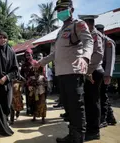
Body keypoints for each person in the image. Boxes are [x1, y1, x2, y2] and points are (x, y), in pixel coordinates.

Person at [36, 0, 94, 142]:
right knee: (68, 108)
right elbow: (55, 54)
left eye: (63, 8)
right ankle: (72, 135)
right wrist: (41, 62)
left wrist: (85, 58)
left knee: (76, 107)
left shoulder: (78, 25)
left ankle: (78, 137)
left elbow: (88, 41)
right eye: (58, 9)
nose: (60, 11)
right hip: (61, 74)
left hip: (73, 72)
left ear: (71, 9)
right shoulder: (61, 31)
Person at [78, 15, 104, 141]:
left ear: (89, 24)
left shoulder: (95, 35)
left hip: (94, 71)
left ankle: (94, 131)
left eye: (84, 24)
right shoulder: (88, 35)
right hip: (89, 72)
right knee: (88, 101)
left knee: (93, 102)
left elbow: (98, 55)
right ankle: (90, 128)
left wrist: (88, 71)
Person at [95, 24, 117, 127]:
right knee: (101, 95)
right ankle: (110, 118)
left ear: (103, 31)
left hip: (105, 70)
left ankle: (103, 119)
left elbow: (110, 60)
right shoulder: (97, 41)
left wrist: (107, 75)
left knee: (103, 95)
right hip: (99, 69)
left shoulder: (108, 42)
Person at [20, 48, 37, 116]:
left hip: (35, 83)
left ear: (31, 54)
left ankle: (35, 110)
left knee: (35, 96)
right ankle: (28, 110)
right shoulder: (24, 65)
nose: (28, 56)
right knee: (28, 97)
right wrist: (24, 81)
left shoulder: (35, 62)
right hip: (27, 83)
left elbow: (39, 72)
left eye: (29, 55)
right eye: (26, 55)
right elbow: (21, 74)